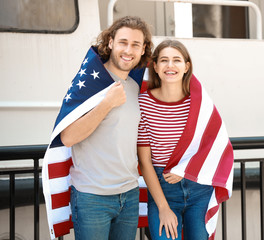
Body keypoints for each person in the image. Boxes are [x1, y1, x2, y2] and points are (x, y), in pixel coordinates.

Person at [42, 16, 153, 240]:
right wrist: (106, 104)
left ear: (143, 50)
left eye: (135, 45)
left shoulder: (134, 86)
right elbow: (68, 137)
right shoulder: (93, 83)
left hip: (129, 195)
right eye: (123, 42)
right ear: (110, 42)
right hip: (92, 197)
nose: (128, 50)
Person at [137, 39, 234, 240]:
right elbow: (145, 161)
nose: (170, 65)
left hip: (199, 190)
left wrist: (186, 168)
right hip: (163, 191)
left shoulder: (199, 102)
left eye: (176, 60)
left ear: (186, 66)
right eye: (163, 60)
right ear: (155, 66)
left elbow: (217, 144)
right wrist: (163, 208)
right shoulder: (143, 103)